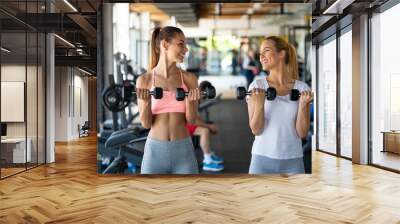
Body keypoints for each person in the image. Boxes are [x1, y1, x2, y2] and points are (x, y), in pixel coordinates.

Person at [136, 26, 201, 174]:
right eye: (181, 44)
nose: (186, 49)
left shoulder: (189, 79)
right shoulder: (145, 80)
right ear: (165, 44)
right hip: (155, 152)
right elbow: (146, 124)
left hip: (183, 149)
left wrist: (190, 102)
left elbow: (191, 121)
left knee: (188, 196)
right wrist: (146, 103)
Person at [246, 36, 314, 174]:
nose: (261, 56)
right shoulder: (257, 86)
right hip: (261, 159)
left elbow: (301, 133)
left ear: (281, 54)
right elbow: (256, 130)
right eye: (260, 53)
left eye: (266, 50)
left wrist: (302, 106)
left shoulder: (302, 88)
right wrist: (259, 104)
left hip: (293, 160)